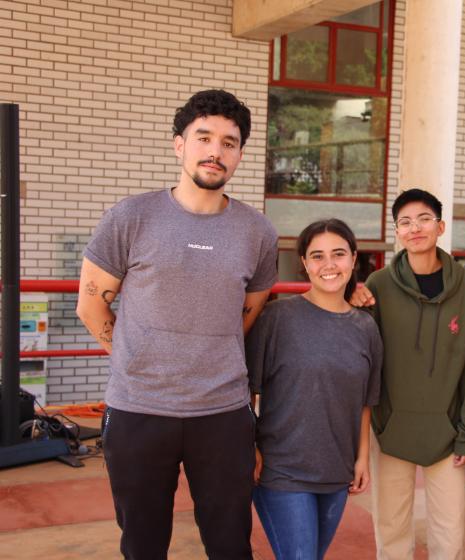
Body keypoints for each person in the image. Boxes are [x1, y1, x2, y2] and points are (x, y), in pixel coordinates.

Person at [76, 89, 278, 559]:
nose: (215, 151)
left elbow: (247, 313)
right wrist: (137, 356)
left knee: (230, 546)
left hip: (223, 415)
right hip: (139, 410)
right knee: (143, 546)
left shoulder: (258, 232)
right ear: (178, 145)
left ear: (240, 155)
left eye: (229, 143)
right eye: (203, 137)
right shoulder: (132, 216)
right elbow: (91, 307)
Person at [351, 188, 465, 560]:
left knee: (450, 533)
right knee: (391, 532)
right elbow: (363, 357)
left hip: (447, 431)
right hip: (390, 428)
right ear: (397, 232)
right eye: (405, 222)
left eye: (424, 219)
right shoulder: (378, 284)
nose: (415, 228)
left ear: (441, 226)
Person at [246, 219, 382, 560]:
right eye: (317, 256)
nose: (329, 265)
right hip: (281, 469)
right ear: (305, 263)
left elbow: (367, 399)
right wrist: (249, 447)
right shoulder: (277, 319)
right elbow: (244, 390)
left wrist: (362, 458)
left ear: (353, 258)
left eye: (338, 254)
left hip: (335, 469)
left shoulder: (365, 327)